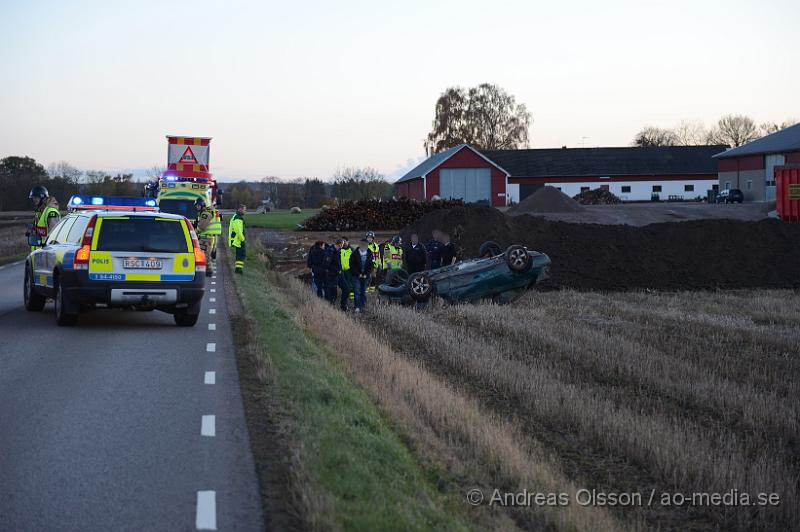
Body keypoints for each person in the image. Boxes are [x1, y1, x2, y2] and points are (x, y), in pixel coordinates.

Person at [28, 185, 60, 250]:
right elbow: (42, 230)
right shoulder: (39, 212)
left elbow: (54, 234)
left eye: (36, 197)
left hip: (47, 251)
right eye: (33, 198)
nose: (34, 200)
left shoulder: (51, 212)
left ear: (43, 197)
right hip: (38, 251)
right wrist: (33, 231)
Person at [349, 241, 374, 313]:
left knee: (363, 291)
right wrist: (358, 274)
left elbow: (371, 265)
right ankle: (357, 306)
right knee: (357, 291)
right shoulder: (354, 254)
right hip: (356, 276)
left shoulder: (370, 253)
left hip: (366, 276)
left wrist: (367, 274)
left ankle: (363, 306)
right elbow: (352, 265)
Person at [194, 198, 215, 277]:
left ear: (202, 205)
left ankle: (208, 272)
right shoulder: (204, 213)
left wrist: (194, 232)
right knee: (205, 254)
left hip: (206, 237)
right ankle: (207, 271)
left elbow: (202, 227)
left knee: (205, 255)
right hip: (207, 237)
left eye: (198, 205)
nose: (197, 207)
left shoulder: (205, 214)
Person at [228, 204, 247, 274]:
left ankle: (238, 269)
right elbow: (238, 230)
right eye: (244, 210)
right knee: (241, 255)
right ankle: (239, 269)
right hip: (238, 240)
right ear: (240, 209)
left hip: (237, 239)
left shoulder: (236, 216)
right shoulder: (238, 218)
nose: (245, 211)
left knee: (239, 255)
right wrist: (243, 239)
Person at [323, 240, 341, 305]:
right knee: (330, 288)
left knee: (333, 288)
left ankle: (332, 302)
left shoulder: (336, 251)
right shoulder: (331, 251)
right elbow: (327, 263)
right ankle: (329, 302)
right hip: (331, 274)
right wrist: (336, 270)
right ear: (339, 244)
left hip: (335, 273)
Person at [338, 236, 354, 310]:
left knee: (351, 284)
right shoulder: (339, 250)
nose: (344, 243)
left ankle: (352, 299)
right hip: (341, 271)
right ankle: (345, 299)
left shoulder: (352, 250)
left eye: (345, 241)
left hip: (350, 270)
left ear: (348, 241)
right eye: (343, 242)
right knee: (344, 285)